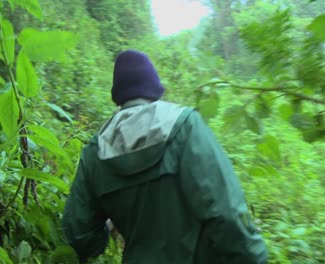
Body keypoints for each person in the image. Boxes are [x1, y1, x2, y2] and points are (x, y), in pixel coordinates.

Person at [61, 50, 268, 264]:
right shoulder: (186, 125)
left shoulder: (95, 150)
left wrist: (109, 226)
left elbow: (78, 234)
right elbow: (227, 213)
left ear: (118, 95)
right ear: (154, 88)